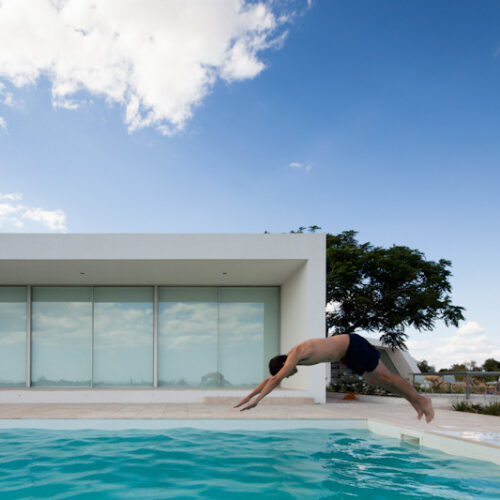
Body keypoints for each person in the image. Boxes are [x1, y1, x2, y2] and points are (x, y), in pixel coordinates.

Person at [234, 333, 435, 423]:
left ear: (282, 366)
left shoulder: (294, 356)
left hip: (352, 345)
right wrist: (247, 398)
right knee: (376, 381)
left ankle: (422, 399)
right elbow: (269, 380)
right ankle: (414, 401)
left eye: (285, 375)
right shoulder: (292, 360)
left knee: (387, 377)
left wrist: (258, 401)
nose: (286, 377)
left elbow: (275, 380)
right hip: (347, 355)